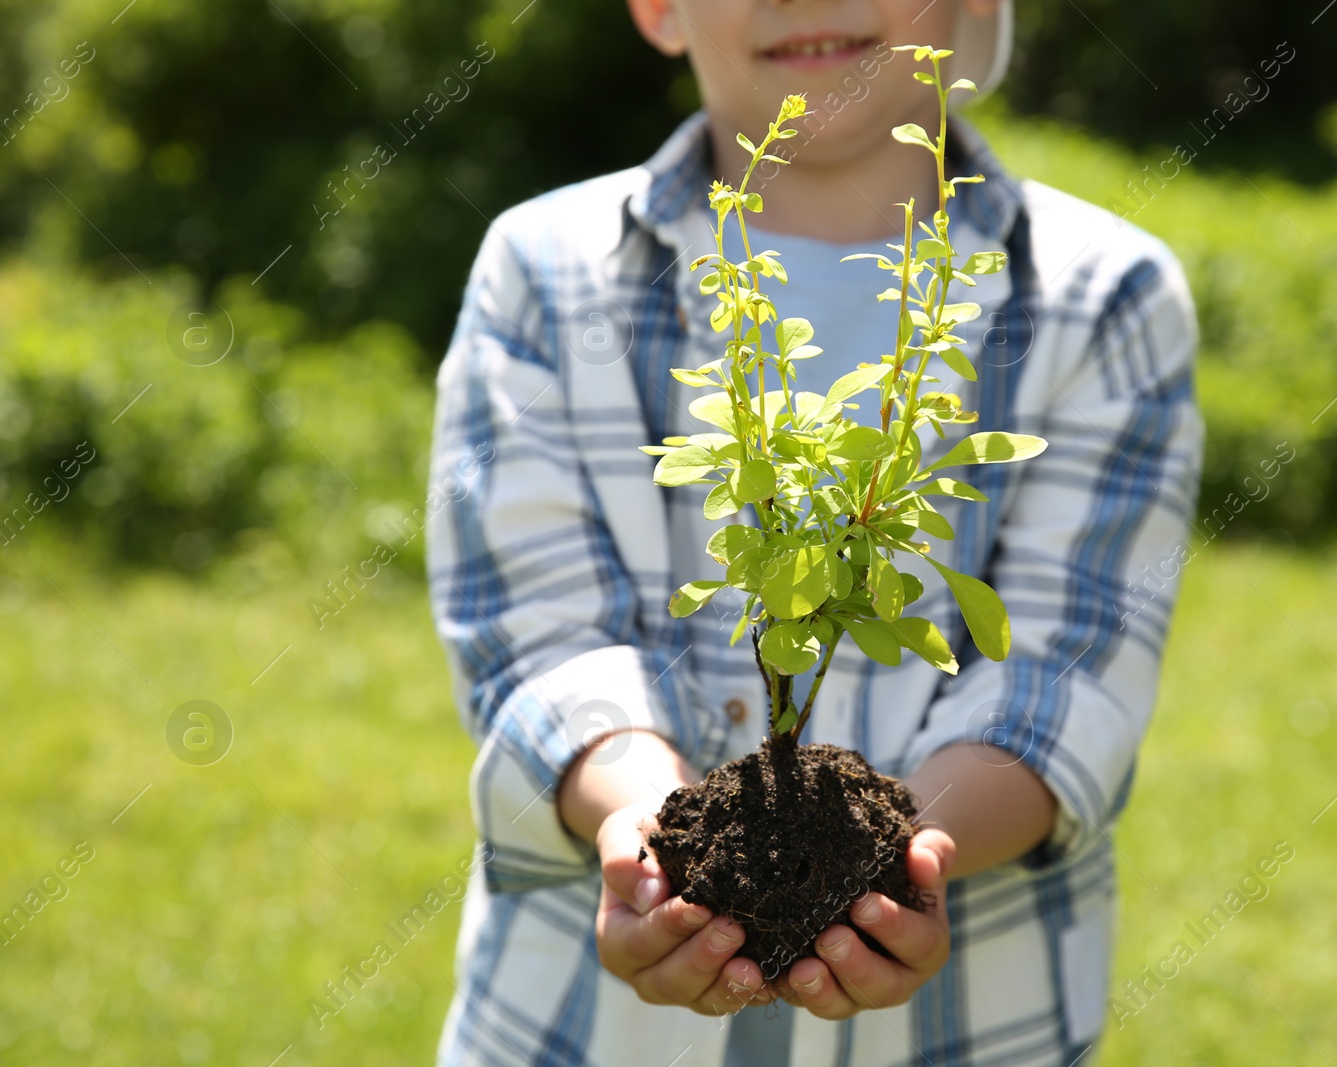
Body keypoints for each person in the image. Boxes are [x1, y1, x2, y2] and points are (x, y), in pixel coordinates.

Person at [425, 0, 1203, 1063]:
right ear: (657, 9)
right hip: (580, 1030)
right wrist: (652, 847)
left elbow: (1065, 676)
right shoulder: (544, 269)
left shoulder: (1101, 291)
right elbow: (537, 632)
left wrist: (907, 855)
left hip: (965, 1029)